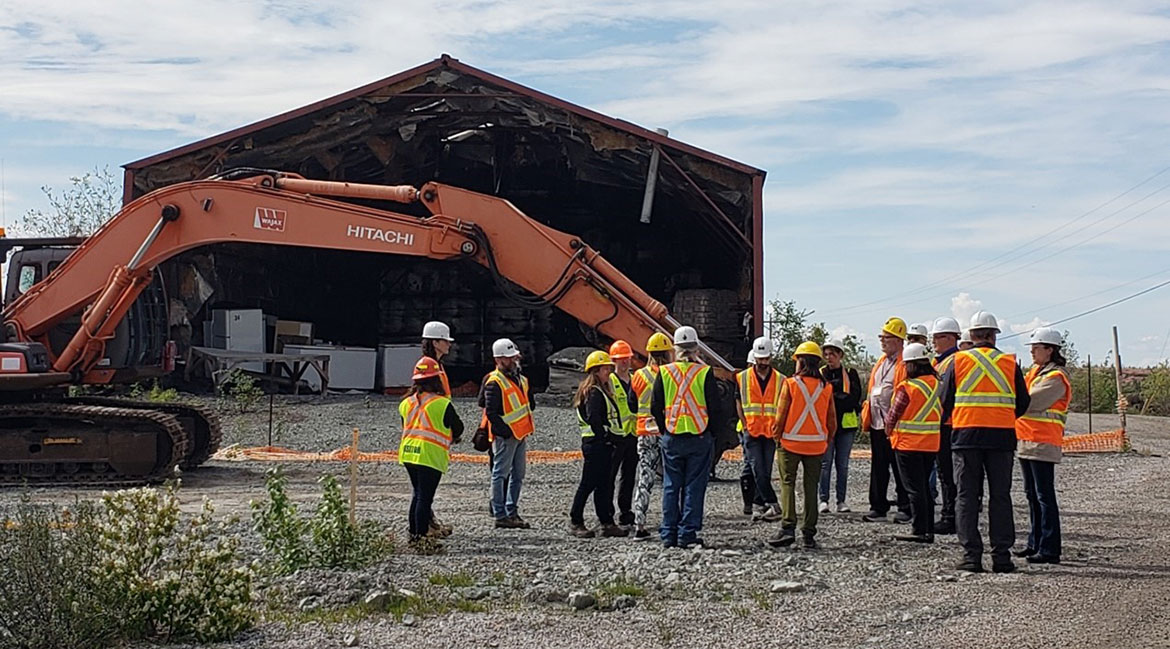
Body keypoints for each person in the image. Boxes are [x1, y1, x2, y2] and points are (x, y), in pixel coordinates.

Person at [939, 311, 1030, 573]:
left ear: (972, 335)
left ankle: (971, 556)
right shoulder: (1010, 363)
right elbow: (1023, 403)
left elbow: (944, 400)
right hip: (1001, 437)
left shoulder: (958, 362)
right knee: (1000, 496)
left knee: (967, 496)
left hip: (966, 437)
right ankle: (1001, 558)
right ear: (993, 335)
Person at [650, 325, 722, 549]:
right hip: (699, 436)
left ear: (675, 349)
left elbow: (655, 406)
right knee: (694, 486)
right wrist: (712, 433)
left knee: (671, 485)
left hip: (672, 436)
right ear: (696, 349)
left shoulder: (664, 372)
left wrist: (665, 429)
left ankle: (668, 533)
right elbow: (716, 407)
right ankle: (687, 533)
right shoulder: (704, 373)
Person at [767, 341, 836, 549]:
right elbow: (832, 420)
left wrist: (776, 437)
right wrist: (826, 439)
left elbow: (780, 416)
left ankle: (788, 527)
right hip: (816, 446)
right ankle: (808, 534)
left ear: (801, 362)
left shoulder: (790, 384)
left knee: (788, 483)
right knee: (810, 488)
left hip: (789, 443)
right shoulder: (826, 387)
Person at [1014, 327, 1071, 564]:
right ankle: (1034, 543)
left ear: (1050, 350)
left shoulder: (1055, 377)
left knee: (1043, 496)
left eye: (1036, 348)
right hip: (1027, 441)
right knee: (1032, 495)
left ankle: (1049, 548)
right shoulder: (1036, 373)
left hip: (1043, 442)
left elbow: (1029, 401)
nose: (1032, 352)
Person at [399, 357, 464, 552]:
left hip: (409, 453)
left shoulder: (406, 403)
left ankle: (414, 535)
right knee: (424, 498)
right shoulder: (441, 403)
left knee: (417, 495)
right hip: (429, 455)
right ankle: (421, 540)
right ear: (437, 379)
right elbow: (458, 427)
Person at [569, 351, 630, 538]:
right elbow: (594, 418)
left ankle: (606, 522)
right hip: (596, 444)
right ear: (595, 371)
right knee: (588, 483)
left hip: (602, 443)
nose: (609, 373)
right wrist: (605, 436)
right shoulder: (594, 393)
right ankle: (575, 521)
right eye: (606, 369)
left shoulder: (601, 390)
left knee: (603, 484)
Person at [885, 343, 941, 543]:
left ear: (911, 365)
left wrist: (887, 431)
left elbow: (893, 415)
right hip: (931, 444)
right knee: (924, 487)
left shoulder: (907, 387)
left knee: (914, 489)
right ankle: (927, 528)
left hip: (908, 444)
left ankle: (919, 530)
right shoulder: (936, 383)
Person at [861, 317, 911, 523]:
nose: (882, 341)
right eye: (881, 337)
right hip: (878, 423)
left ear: (899, 340)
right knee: (879, 466)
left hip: (897, 425)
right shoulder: (881, 362)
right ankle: (878, 506)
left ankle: (905, 507)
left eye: (886, 338)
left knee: (900, 468)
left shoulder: (904, 363)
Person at [482, 338, 536, 529]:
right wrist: (504, 431)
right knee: (500, 474)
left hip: (520, 434)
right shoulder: (494, 382)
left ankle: (511, 510)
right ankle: (500, 514)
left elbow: (528, 403)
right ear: (500, 360)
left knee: (518, 474)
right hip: (506, 437)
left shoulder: (521, 379)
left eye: (515, 357)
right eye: (511, 358)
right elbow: (490, 411)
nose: (515, 360)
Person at [631, 332, 673, 540]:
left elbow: (632, 404)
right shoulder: (668, 374)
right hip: (666, 431)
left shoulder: (638, 376)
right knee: (671, 479)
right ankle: (670, 522)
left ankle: (639, 524)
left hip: (644, 432)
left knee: (645, 478)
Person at [736, 337, 783, 522]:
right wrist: (745, 423)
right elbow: (738, 401)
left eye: (765, 358)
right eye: (759, 359)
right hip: (752, 430)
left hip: (770, 432)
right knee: (757, 469)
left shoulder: (781, 379)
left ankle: (758, 505)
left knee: (766, 469)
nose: (762, 362)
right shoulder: (742, 378)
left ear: (771, 357)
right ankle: (772, 503)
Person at [819, 338, 862, 513]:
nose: (829, 358)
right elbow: (821, 398)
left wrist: (836, 398)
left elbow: (855, 396)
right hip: (827, 425)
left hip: (846, 426)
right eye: (826, 354)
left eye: (833, 354)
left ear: (840, 355)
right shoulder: (821, 373)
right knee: (825, 463)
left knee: (842, 464)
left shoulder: (851, 374)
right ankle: (823, 500)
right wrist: (841, 397)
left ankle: (841, 501)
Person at [929, 316, 962, 535]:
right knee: (944, 473)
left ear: (951, 338)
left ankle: (950, 516)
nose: (934, 341)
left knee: (948, 474)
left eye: (938, 337)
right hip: (942, 422)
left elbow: (948, 395)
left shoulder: (955, 361)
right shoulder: (939, 361)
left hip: (949, 423)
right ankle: (951, 514)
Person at [607, 340, 639, 528]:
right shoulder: (609, 381)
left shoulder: (635, 379)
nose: (625, 362)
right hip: (616, 435)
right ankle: (608, 512)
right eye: (621, 359)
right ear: (614, 361)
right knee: (610, 476)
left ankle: (625, 511)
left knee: (629, 475)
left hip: (632, 435)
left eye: (626, 358)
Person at [421, 321, 455, 396]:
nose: (449, 345)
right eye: (446, 341)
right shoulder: (427, 364)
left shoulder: (438, 364)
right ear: (435, 343)